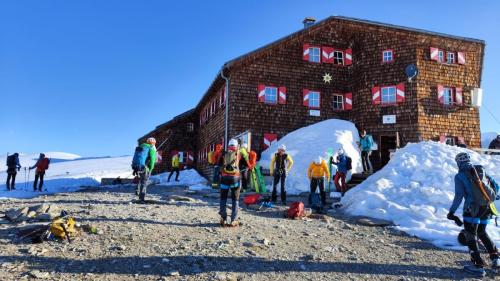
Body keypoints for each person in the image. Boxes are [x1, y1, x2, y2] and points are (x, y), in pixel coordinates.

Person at [448, 152, 500, 276]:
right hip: (486, 208)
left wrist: (452, 212)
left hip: (471, 209)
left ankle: (478, 266)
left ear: (458, 163)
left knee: (471, 235)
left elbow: (459, 196)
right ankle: (496, 260)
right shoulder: (480, 169)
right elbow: (496, 186)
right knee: (482, 232)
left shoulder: (459, 176)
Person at [217, 138, 242, 226]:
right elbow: (244, 164)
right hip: (235, 178)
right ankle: (233, 220)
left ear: (228, 145)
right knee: (235, 199)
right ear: (236, 145)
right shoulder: (239, 153)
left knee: (223, 198)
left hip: (224, 178)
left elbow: (218, 164)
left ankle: (223, 218)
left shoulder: (224, 153)